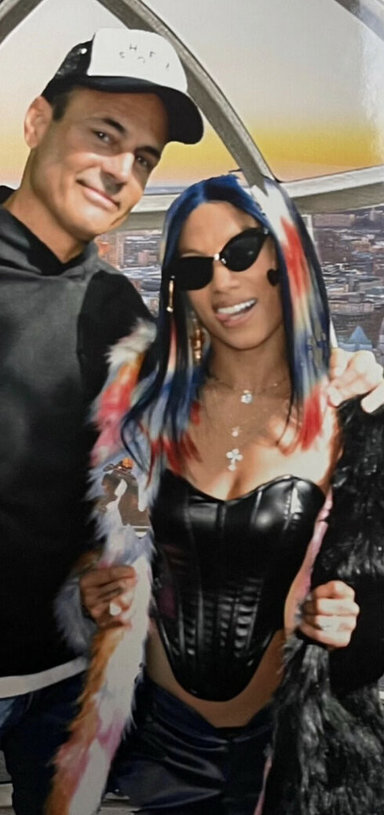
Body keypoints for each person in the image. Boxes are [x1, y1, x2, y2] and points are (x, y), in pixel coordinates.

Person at [50, 174, 384, 815]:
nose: (222, 283)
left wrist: (354, 622)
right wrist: (91, 591)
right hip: (155, 750)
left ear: (287, 253)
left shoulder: (366, 421)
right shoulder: (138, 414)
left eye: (241, 252)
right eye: (195, 268)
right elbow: (109, 544)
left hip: (293, 759)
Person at [0, 26, 205, 815]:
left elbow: (126, 474)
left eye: (144, 157)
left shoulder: (120, 310)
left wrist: (111, 557)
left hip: (62, 683)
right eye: (104, 136)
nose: (122, 170)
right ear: (36, 121)